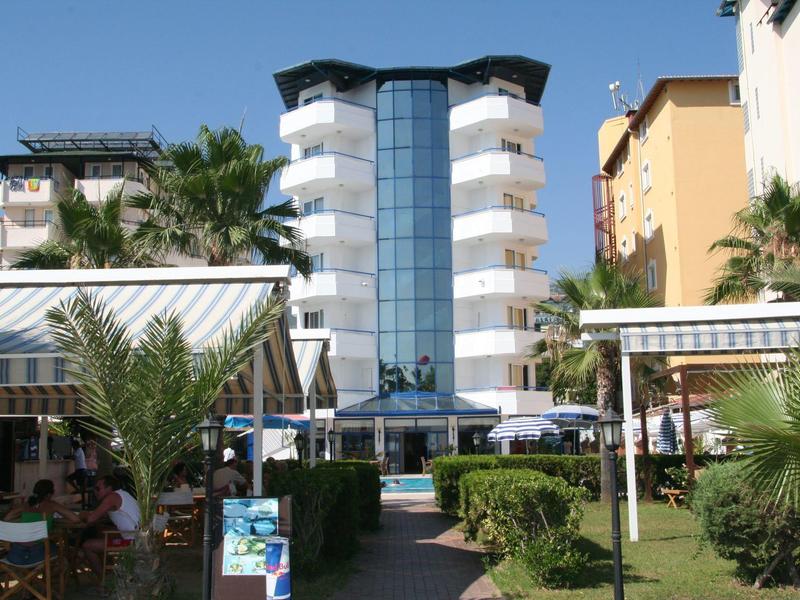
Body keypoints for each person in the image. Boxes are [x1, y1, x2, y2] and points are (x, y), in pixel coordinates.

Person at [79, 475, 141, 589]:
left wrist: (82, 514)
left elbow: (91, 519)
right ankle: (109, 572)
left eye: (98, 488)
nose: (95, 492)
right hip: (138, 535)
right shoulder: (123, 494)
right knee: (101, 532)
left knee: (87, 546)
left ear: (109, 488)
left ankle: (104, 581)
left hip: (133, 540)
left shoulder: (111, 497)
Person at [3, 479, 80, 565]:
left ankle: (33, 573)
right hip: (35, 555)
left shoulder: (26, 505)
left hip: (14, 556)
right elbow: (75, 519)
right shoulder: (52, 505)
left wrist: (24, 515)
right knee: (59, 548)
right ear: (49, 494)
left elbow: (7, 518)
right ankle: (55, 571)